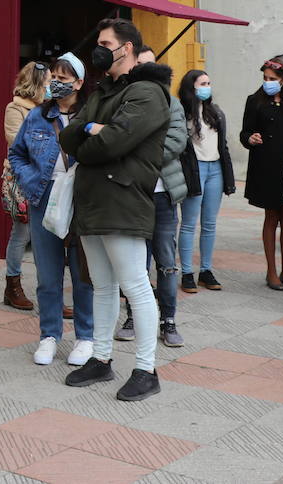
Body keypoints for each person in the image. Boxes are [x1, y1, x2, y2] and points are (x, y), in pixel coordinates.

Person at [58, 18, 169, 402]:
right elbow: (69, 135)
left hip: (123, 200)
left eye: (106, 42)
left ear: (128, 49)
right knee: (102, 286)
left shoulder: (148, 92)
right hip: (93, 201)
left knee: (135, 287)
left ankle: (146, 368)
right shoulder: (105, 89)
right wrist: (91, 130)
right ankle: (102, 358)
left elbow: (113, 143)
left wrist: (92, 133)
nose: (100, 49)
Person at [8, 52, 94, 367]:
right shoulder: (37, 116)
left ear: (80, 83)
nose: (57, 83)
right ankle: (49, 335)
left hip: (82, 202)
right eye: (54, 77)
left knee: (83, 273)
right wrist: (31, 181)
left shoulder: (90, 115)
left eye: (64, 78)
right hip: (44, 198)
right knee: (47, 274)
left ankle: (86, 336)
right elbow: (16, 153)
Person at [130, 46, 189, 349]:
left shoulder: (173, 104)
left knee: (166, 260)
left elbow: (177, 141)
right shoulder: (127, 101)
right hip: (132, 194)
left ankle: (168, 320)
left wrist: (138, 152)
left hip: (163, 195)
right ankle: (132, 316)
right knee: (134, 262)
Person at [240, 59, 283, 290]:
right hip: (267, 167)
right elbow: (245, 131)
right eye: (265, 78)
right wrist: (250, 138)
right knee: (271, 217)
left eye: (273, 79)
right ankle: (271, 271)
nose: (268, 83)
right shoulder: (255, 101)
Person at [177, 69, 235, 294]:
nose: (207, 87)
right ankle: (187, 273)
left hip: (215, 169)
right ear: (191, 86)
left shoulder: (215, 112)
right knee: (189, 223)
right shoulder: (181, 112)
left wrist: (228, 175)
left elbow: (224, 145)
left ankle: (206, 270)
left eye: (209, 83)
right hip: (194, 169)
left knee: (209, 224)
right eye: (202, 83)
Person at [2, 62, 47, 311]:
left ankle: (49, 289)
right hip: (24, 177)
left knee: (48, 235)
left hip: (48, 177)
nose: (53, 86)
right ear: (38, 83)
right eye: (49, 82)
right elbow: (17, 141)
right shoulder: (16, 107)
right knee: (22, 232)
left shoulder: (51, 109)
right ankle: (13, 285)